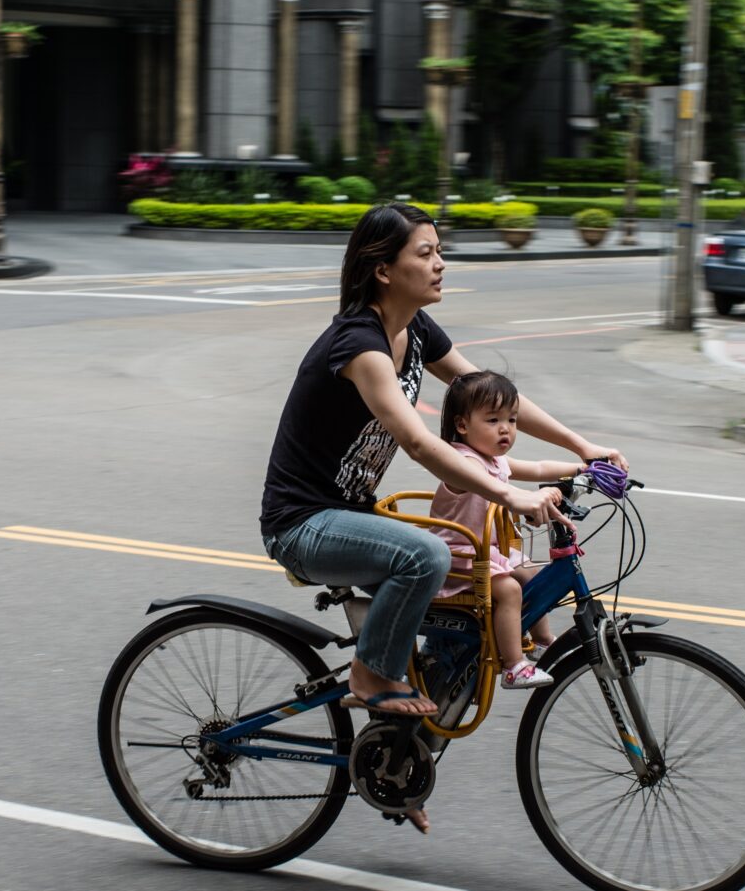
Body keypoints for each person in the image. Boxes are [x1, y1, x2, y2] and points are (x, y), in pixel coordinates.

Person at [260, 201, 627, 713]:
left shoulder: (417, 331)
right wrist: (507, 493)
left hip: (353, 517)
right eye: (426, 253)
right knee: (426, 556)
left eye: (440, 252)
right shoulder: (360, 344)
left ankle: (400, 778)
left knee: (468, 599)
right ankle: (371, 675)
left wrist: (581, 448)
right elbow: (418, 443)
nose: (440, 264)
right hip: (304, 524)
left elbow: (493, 399)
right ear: (383, 269)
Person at [429, 370, 583, 689]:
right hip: (461, 559)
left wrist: (584, 465)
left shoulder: (496, 460)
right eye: (493, 420)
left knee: (535, 575)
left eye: (512, 420)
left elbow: (539, 468)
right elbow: (491, 488)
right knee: (510, 590)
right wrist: (532, 496)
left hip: (488, 554)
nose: (505, 429)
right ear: (462, 425)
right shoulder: (464, 462)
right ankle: (514, 665)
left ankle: (542, 641)